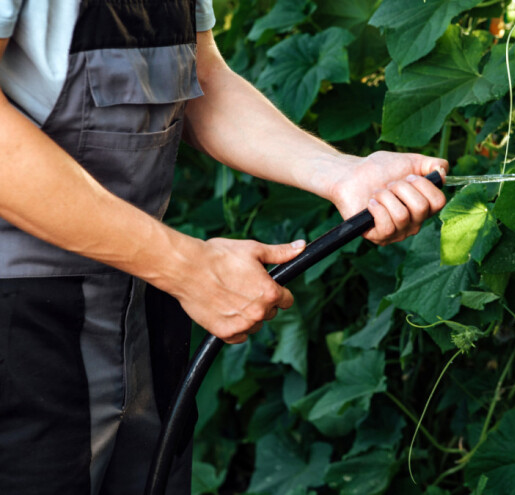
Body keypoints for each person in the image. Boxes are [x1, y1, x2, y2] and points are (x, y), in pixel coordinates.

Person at [0, 1, 448, 494]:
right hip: (21, 325)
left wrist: (341, 174)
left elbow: (203, 79)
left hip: (134, 309)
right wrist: (184, 266)